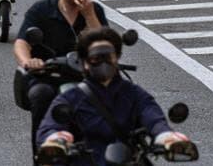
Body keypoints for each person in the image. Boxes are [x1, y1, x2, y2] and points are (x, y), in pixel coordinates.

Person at [37, 28, 196, 166]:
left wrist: (167, 137)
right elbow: (50, 127)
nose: (103, 63)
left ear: (117, 58)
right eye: (96, 58)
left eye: (108, 56)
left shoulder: (134, 94)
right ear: (85, 63)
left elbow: (153, 119)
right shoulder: (71, 98)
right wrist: (57, 139)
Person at [13, 0, 106, 161]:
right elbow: (21, 42)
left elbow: (105, 46)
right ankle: (42, 156)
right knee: (41, 95)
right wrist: (28, 61)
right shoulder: (42, 10)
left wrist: (89, 15)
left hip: (84, 79)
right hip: (46, 76)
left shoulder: (94, 10)